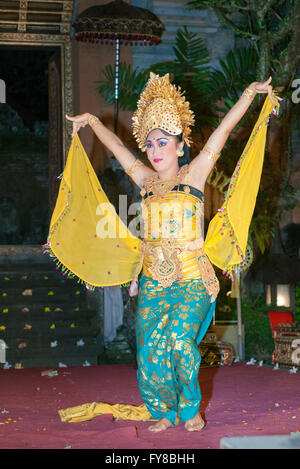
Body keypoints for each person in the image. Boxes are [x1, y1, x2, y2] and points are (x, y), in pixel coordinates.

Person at [51, 73, 280, 433]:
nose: (154, 152)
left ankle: (190, 409)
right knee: (148, 352)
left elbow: (221, 135)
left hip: (193, 276)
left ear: (179, 145)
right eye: (150, 145)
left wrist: (249, 95)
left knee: (179, 343)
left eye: (162, 143)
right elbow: (118, 151)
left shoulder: (195, 175)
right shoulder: (145, 182)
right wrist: (93, 122)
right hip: (153, 279)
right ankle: (164, 411)